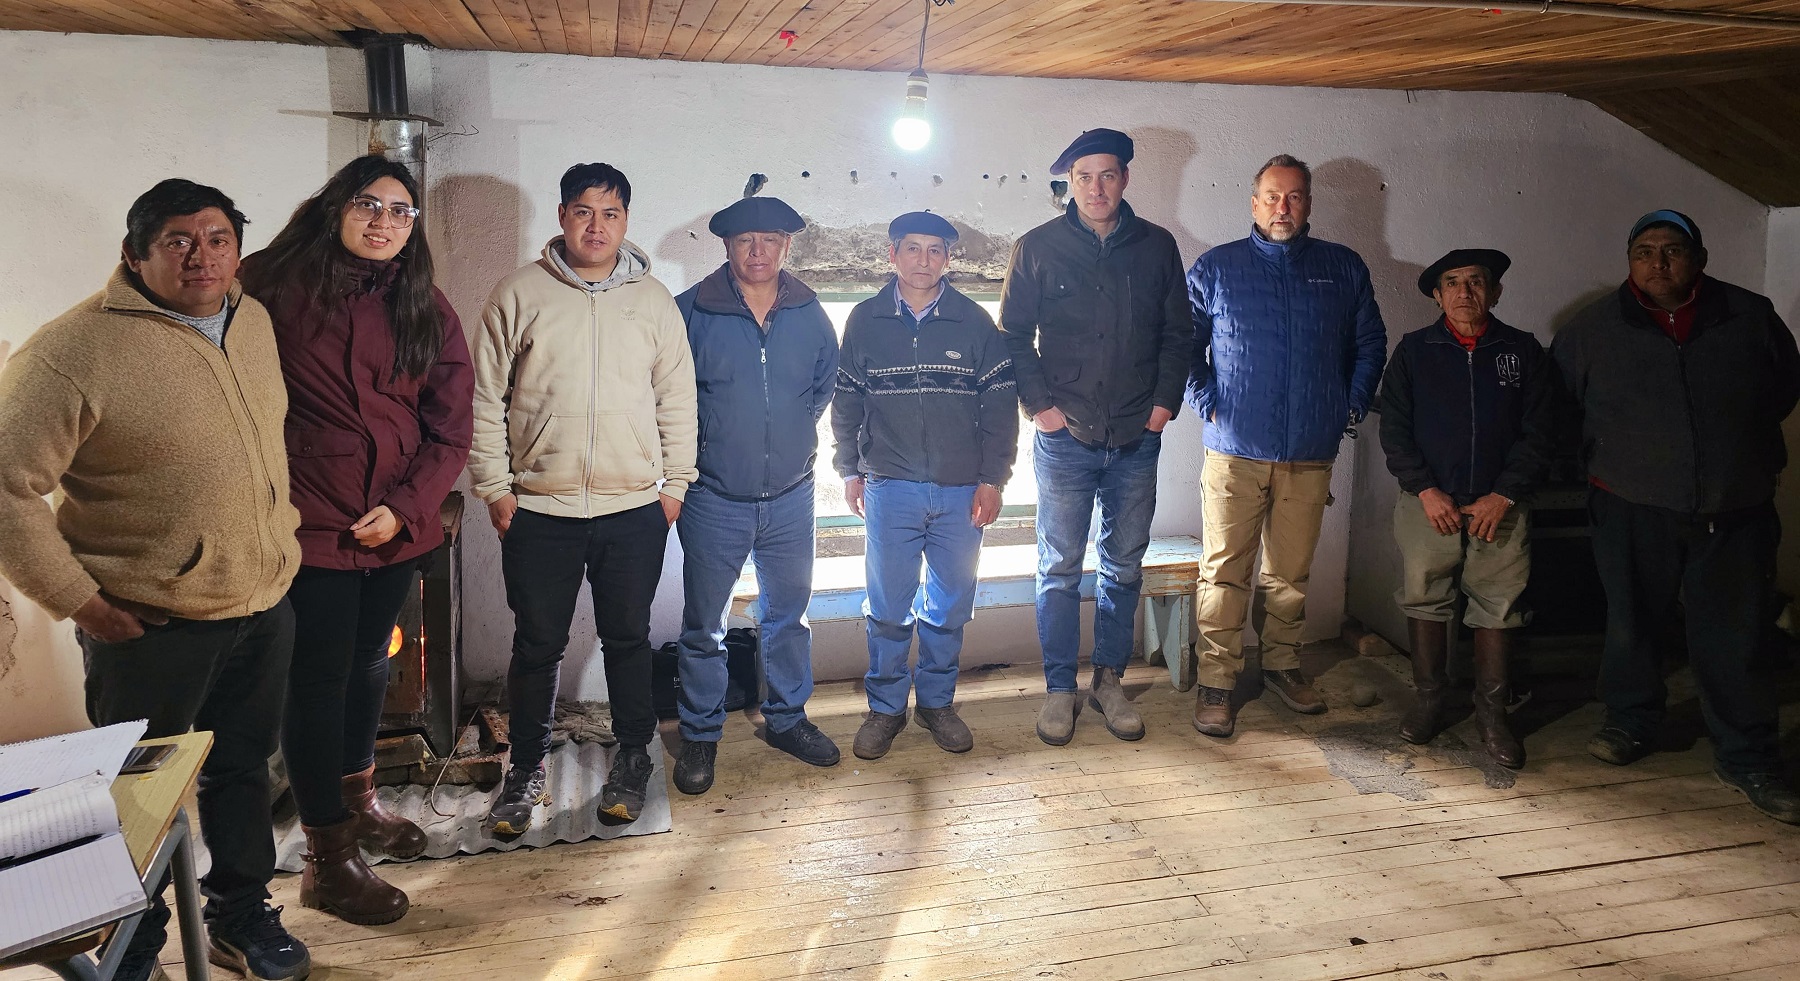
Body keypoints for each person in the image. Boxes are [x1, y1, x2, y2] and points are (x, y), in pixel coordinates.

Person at [0, 180, 310, 981]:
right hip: (149, 624)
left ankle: (241, 916)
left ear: (239, 247)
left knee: (244, 770)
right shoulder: (71, 351)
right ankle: (133, 946)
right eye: (178, 240)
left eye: (217, 237)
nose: (201, 255)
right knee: (136, 798)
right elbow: (7, 483)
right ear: (134, 255)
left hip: (261, 602)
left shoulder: (252, 318)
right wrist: (78, 601)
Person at [239, 155, 473, 924]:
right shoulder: (270, 285)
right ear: (335, 207)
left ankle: (360, 801)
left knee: (373, 664)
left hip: (395, 529)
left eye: (400, 211)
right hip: (312, 527)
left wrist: (408, 508)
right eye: (369, 205)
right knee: (317, 681)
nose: (383, 221)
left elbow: (449, 424)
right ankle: (327, 859)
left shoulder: (422, 304)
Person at [468, 163, 697, 833]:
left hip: (634, 509)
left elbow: (677, 397)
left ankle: (632, 758)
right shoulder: (519, 293)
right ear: (563, 217)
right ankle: (526, 768)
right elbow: (484, 398)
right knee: (537, 644)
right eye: (583, 212)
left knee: (628, 639)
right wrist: (495, 487)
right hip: (540, 508)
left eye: (611, 213)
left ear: (626, 221)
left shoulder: (652, 300)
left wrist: (673, 486)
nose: (596, 226)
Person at [1552, 210, 1800, 825]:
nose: (1658, 263)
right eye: (1644, 251)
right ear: (1628, 261)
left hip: (1734, 506)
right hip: (1632, 501)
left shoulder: (1749, 316)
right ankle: (1631, 721)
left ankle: (1747, 756)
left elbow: (1782, 390)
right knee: (1632, 620)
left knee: (1736, 634)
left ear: (1700, 259)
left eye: (1672, 250)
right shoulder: (1593, 328)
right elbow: (1563, 406)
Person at [998, 128, 1192, 746]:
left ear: (1126, 179)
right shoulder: (1036, 248)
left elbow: (1178, 334)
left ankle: (1108, 680)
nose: (1096, 188)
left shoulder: (1157, 247)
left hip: (1137, 434)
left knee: (1124, 566)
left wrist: (1163, 405)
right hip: (1065, 437)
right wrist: (1041, 409)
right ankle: (1061, 687)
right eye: (1084, 177)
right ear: (1070, 184)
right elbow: (1012, 338)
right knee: (1058, 566)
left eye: (1107, 175)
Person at [1185, 153, 1387, 737]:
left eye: (1294, 197)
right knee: (1223, 573)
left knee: (1290, 575)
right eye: (1272, 196)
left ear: (1308, 205)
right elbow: (1184, 345)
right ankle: (1217, 682)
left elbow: (1370, 342)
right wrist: (1206, 402)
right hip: (1233, 451)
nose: (1282, 207)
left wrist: (1346, 407)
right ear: (1253, 202)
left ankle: (1282, 666)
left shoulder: (1342, 268)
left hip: (1309, 451)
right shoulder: (1217, 268)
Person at [832, 211, 1018, 759]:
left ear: (948, 258)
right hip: (890, 486)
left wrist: (993, 479)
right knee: (889, 605)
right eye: (911, 249)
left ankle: (937, 703)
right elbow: (846, 402)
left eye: (934, 250)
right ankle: (885, 709)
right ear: (892, 256)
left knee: (950, 603)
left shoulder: (975, 323)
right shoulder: (865, 320)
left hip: (962, 490)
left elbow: (1001, 407)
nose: (923, 260)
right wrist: (850, 468)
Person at [672, 196, 842, 795]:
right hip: (713, 496)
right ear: (726, 246)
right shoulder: (690, 311)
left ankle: (788, 719)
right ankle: (699, 733)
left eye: (770, 240)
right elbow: (668, 400)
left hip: (793, 497)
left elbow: (822, 388)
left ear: (787, 246)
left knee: (788, 617)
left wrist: (787, 443)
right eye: (746, 241)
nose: (758, 251)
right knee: (703, 626)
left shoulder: (810, 312)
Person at [1376, 249, 1554, 768]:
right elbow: (1395, 430)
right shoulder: (1414, 352)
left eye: (1476, 282)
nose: (1464, 292)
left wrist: (1504, 494)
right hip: (1428, 503)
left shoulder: (1521, 351)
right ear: (1437, 295)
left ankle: (1493, 714)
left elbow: (1540, 430)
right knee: (1424, 597)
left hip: (1501, 505)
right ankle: (1430, 699)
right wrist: (1425, 490)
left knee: (1498, 605)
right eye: (1452, 282)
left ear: (1495, 292)